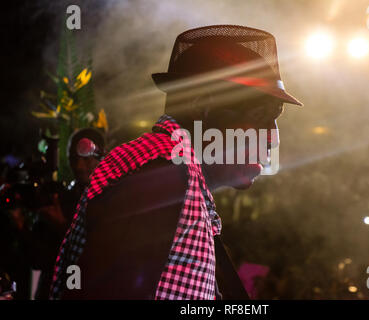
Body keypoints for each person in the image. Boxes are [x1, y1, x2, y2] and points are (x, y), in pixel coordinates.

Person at [50, 25, 303, 300]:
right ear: (201, 105)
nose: (273, 139)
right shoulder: (159, 177)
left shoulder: (175, 176)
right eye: (260, 115)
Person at [33, 128, 105, 299]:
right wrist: (21, 226)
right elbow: (37, 260)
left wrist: (62, 227)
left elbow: (99, 256)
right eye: (74, 159)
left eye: (86, 159)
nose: (79, 167)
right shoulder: (60, 198)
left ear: (102, 156)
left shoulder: (111, 199)